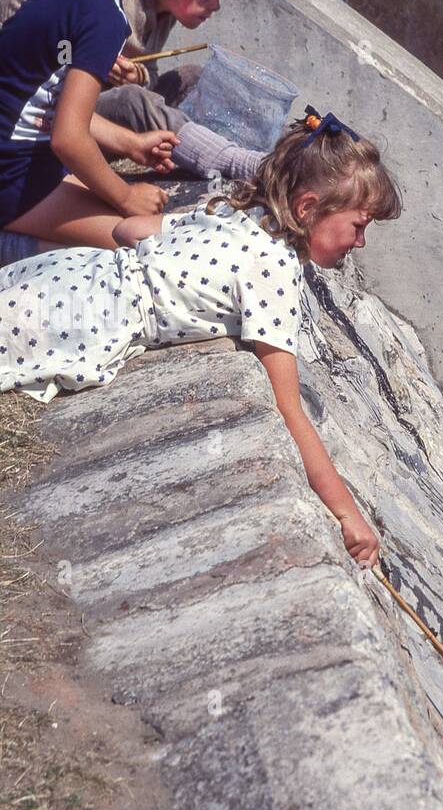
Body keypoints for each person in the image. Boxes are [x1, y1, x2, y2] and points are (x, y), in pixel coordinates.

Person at [0, 109, 403, 569]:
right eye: (359, 225)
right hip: (86, 318)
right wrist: (348, 514)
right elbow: (288, 409)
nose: (361, 242)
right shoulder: (273, 271)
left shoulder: (241, 216)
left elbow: (128, 230)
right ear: (307, 208)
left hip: (72, 275)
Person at [0, 0, 192, 252]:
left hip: (17, 159)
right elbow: (68, 139)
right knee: (149, 242)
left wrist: (130, 145)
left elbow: (49, 109)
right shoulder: (104, 17)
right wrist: (125, 196)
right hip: (12, 179)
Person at [0, 0, 262, 182]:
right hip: (63, 118)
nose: (216, 6)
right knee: (132, 101)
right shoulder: (116, 5)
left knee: (192, 76)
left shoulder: (163, 14)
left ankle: (254, 145)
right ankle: (241, 164)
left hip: (96, 112)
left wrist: (138, 75)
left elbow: (146, 72)